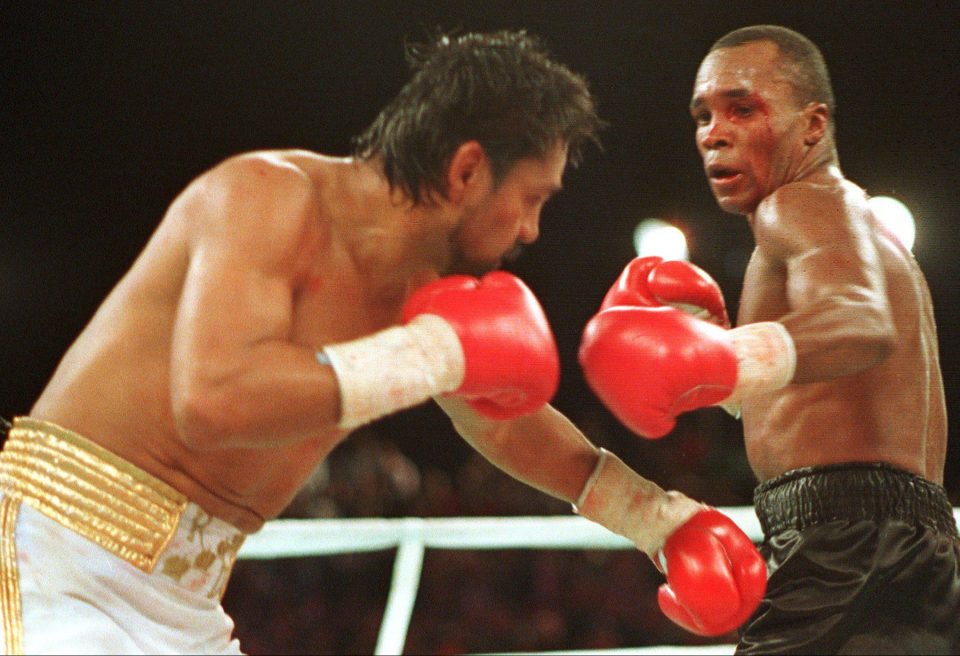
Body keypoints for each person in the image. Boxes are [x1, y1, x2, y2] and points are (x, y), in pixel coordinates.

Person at [0, 30, 764, 654]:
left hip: (187, 598)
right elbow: (213, 400)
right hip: (53, 560)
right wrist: (430, 355)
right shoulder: (265, 198)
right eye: (531, 199)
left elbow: (503, 419)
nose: (531, 230)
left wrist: (657, 518)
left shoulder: (424, 299)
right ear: (468, 170)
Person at [579, 24, 960, 654]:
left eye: (742, 108)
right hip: (912, 539)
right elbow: (819, 386)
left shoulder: (802, 204)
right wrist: (711, 353)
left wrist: (713, 355)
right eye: (703, 114)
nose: (714, 132)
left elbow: (861, 324)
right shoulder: (858, 230)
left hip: (844, 540)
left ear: (813, 125)